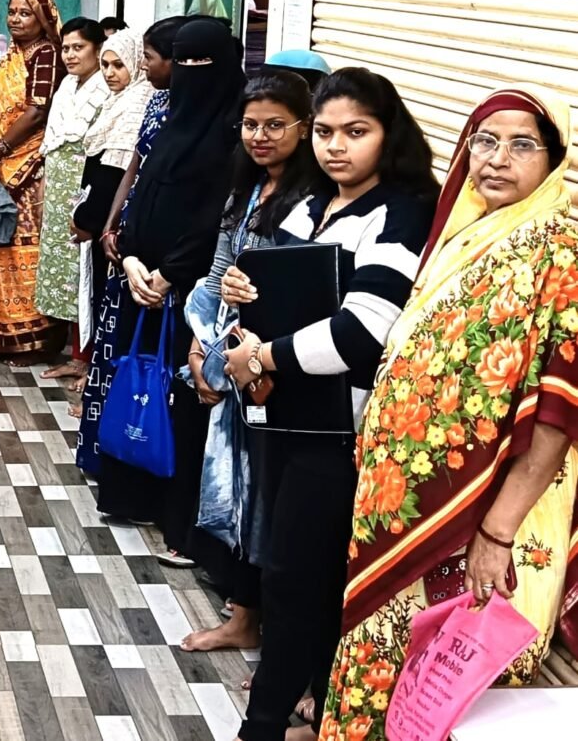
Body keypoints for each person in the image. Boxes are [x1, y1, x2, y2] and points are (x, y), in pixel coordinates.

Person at [320, 85, 578, 741]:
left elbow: (558, 409)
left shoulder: (561, 251)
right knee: (384, 660)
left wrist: (496, 533)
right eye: (484, 141)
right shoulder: (464, 230)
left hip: (483, 516)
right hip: (404, 503)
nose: (497, 158)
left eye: (522, 145)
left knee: (451, 686)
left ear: (554, 159)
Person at [220, 67, 439, 741]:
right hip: (282, 417)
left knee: (296, 580)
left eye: (356, 132)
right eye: (324, 132)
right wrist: (239, 298)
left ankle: (263, 725)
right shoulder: (308, 202)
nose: (336, 146)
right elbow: (268, 294)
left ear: (388, 135)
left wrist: (262, 356)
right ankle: (315, 707)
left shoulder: (401, 214)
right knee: (293, 576)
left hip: (340, 433)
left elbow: (359, 334)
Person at [91, 18, 244, 565]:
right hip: (142, 281)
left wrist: (169, 274)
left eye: (201, 62)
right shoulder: (172, 117)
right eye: (182, 60)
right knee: (139, 382)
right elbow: (146, 189)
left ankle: (179, 518)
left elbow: (214, 219)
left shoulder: (233, 133)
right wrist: (131, 257)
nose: (189, 73)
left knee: (183, 397)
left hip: (193, 293)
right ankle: (135, 495)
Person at [177, 70, 321, 640]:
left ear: (304, 127)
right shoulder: (246, 187)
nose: (260, 137)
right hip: (225, 349)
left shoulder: (312, 200)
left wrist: (243, 352)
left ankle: (253, 619)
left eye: (275, 125)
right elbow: (218, 272)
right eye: (250, 125)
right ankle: (241, 611)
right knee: (236, 481)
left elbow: (297, 291)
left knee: (263, 491)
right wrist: (199, 346)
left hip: (271, 362)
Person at [78, 16, 189, 473]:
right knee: (118, 347)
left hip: (167, 263)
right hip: (129, 246)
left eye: (149, 57)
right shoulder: (156, 101)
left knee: (151, 360)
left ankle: (143, 452)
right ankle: (107, 449)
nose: (142, 66)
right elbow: (134, 168)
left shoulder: (195, 114)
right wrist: (111, 225)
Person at [0, 0, 65, 361]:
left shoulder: (46, 55)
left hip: (29, 168)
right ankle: (0, 333)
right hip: (1, 164)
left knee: (24, 250)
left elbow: (37, 112)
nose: (16, 20)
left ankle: (34, 340)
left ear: (43, 19)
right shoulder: (12, 56)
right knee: (0, 246)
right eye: (12, 12)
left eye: (25, 13)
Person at [35, 17, 109, 397]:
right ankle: (78, 355)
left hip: (85, 187)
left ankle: (91, 361)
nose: (70, 55)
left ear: (98, 50)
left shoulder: (107, 90)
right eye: (65, 48)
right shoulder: (66, 84)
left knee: (86, 274)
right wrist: (45, 181)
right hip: (58, 184)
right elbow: (53, 139)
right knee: (65, 274)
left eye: (78, 47)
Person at [75, 28, 154, 330]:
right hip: (103, 218)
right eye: (105, 65)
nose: (109, 73)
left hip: (113, 220)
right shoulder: (117, 100)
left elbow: (117, 171)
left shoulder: (137, 102)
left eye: (119, 65)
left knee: (109, 301)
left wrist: (88, 218)